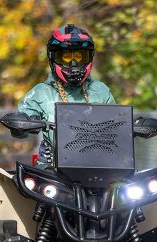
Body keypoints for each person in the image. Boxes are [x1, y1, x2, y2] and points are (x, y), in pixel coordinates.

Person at [18, 24, 115, 165]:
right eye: (67, 57)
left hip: (99, 168)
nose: (74, 63)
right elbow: (20, 124)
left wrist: (133, 127)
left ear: (89, 57)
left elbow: (118, 127)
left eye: (79, 56)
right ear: (53, 57)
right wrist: (22, 123)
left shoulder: (101, 91)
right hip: (51, 172)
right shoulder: (40, 92)